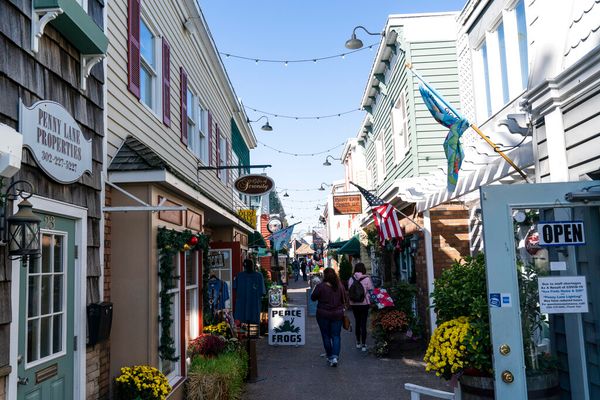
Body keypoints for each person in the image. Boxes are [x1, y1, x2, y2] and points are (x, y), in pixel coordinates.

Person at [311, 267, 348, 367]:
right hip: (337, 314)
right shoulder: (340, 285)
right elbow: (345, 298)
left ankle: (330, 355)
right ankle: (335, 357)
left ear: (325, 276)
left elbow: (313, 298)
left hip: (323, 314)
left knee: (326, 335)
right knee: (336, 336)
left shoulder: (320, 286)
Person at [348, 263, 374, 351]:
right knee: (363, 323)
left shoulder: (351, 279)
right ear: (363, 269)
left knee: (357, 322)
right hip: (364, 304)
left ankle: (358, 342)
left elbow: (349, 290)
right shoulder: (367, 279)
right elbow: (370, 291)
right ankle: (363, 345)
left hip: (354, 304)